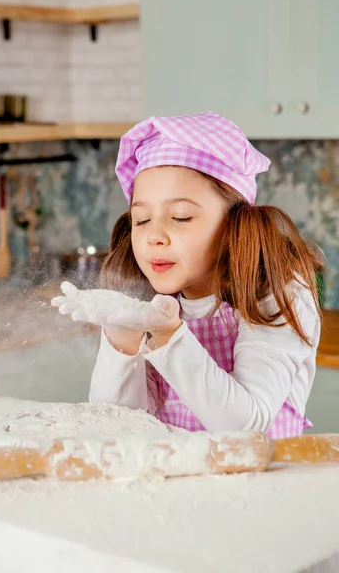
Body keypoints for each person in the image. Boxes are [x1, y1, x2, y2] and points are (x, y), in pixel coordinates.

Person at [52, 112, 324, 438]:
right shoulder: (149, 296)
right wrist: (121, 338)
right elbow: (116, 424)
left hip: (263, 483)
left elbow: (246, 426)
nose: (155, 236)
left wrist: (168, 334)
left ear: (234, 222)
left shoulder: (276, 295)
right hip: (178, 484)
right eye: (141, 219)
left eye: (180, 217)